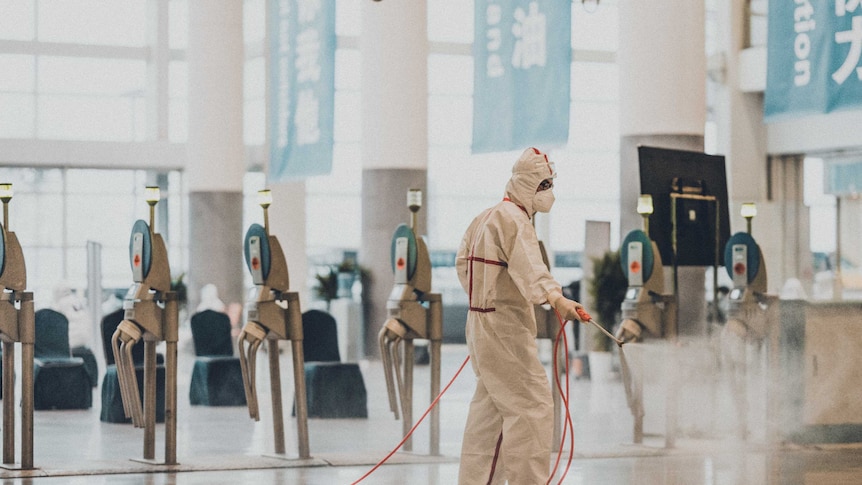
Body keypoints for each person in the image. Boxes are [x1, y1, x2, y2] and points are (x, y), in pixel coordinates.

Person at [455, 147, 588, 484]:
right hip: (505, 329)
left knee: (491, 412)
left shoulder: (485, 216)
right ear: (528, 185)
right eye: (544, 185)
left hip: (481, 324)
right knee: (531, 407)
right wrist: (557, 300)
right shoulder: (514, 219)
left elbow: (462, 265)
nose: (549, 193)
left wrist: (483, 297)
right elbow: (532, 269)